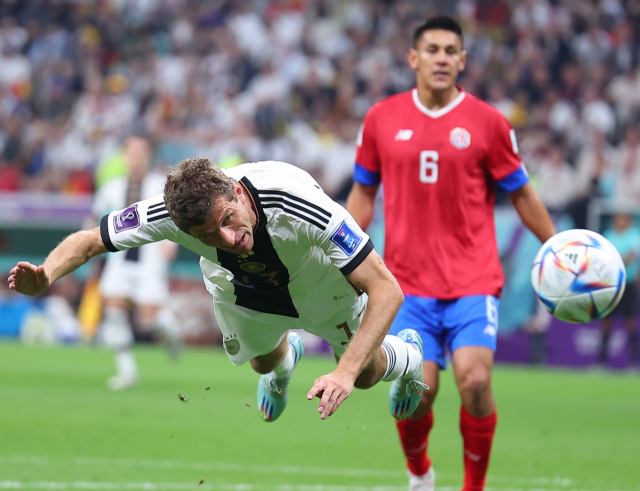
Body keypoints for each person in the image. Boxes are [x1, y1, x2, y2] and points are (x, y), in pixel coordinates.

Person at [8, 157, 427, 423]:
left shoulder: (297, 201)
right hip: (245, 288)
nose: (229, 238)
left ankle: (408, 358)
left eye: (228, 219)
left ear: (238, 193)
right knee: (262, 364)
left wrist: (344, 372)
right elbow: (90, 241)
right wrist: (46, 274)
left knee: (366, 374)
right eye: (208, 235)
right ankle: (285, 366)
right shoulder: (168, 213)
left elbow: (386, 289)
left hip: (320, 284)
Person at [345, 16, 556, 491]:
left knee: (475, 382)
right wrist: (342, 254)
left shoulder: (490, 123)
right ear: (413, 58)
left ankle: (473, 486)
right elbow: (363, 193)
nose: (441, 58)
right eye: (432, 49)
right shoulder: (381, 118)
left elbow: (522, 193)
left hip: (473, 281)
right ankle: (420, 472)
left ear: (462, 60)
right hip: (404, 287)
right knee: (419, 393)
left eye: (450, 51)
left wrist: (557, 246)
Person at [91, 135, 181, 390]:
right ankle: (127, 372)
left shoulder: (160, 185)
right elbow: (94, 217)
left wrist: (170, 244)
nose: (135, 156)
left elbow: (175, 217)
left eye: (140, 151)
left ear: (149, 154)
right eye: (131, 151)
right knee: (113, 313)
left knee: (149, 320)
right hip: (120, 258)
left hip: (149, 258)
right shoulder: (113, 187)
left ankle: (171, 332)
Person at [598, 212, 640, 369]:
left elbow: (631, 256)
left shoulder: (634, 235)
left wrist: (613, 263)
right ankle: (601, 362)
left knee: (629, 322)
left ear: (628, 220)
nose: (618, 220)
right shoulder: (609, 235)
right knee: (606, 322)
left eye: (622, 217)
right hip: (610, 284)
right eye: (616, 218)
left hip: (627, 284)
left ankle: (635, 362)